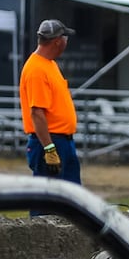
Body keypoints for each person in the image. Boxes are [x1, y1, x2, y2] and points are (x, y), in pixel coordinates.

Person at [20, 19, 81, 184]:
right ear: (57, 42)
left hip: (63, 141)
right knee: (47, 200)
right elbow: (37, 112)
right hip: (50, 142)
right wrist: (49, 148)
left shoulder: (50, 64)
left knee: (71, 200)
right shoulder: (36, 70)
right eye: (65, 38)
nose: (66, 42)